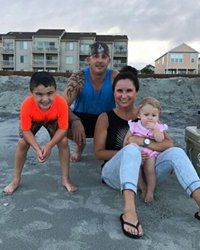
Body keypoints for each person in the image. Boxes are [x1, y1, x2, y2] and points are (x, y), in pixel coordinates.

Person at [94, 69, 200, 239]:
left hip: (149, 171)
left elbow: (168, 143)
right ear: (113, 92)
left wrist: (143, 142)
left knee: (177, 152)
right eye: (119, 91)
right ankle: (129, 211)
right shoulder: (105, 117)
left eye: (129, 90)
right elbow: (98, 153)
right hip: (115, 174)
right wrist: (132, 153)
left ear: (136, 92)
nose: (124, 95)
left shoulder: (148, 114)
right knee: (131, 149)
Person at [4, 71, 77, 194]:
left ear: (55, 90)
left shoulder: (61, 103)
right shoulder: (26, 104)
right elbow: (26, 130)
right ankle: (15, 180)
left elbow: (63, 129)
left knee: (63, 142)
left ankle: (65, 179)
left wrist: (48, 146)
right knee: (22, 143)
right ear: (31, 93)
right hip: (34, 120)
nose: (45, 99)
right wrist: (38, 149)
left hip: (52, 119)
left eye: (50, 93)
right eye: (39, 94)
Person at [63, 41, 118, 162]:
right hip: (82, 119)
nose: (99, 60)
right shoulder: (79, 77)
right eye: (95, 56)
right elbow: (62, 105)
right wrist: (75, 120)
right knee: (54, 121)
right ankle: (79, 143)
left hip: (106, 120)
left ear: (109, 60)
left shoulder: (115, 77)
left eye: (104, 57)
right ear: (88, 60)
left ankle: (108, 146)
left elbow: (126, 104)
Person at [124, 97, 168, 203]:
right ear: (139, 115)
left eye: (154, 115)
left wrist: (156, 130)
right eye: (146, 115)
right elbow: (126, 140)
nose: (150, 118)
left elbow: (160, 139)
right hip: (136, 153)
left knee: (150, 170)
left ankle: (150, 191)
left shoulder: (159, 127)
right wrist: (130, 151)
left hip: (150, 154)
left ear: (158, 117)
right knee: (136, 170)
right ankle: (142, 187)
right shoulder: (134, 126)